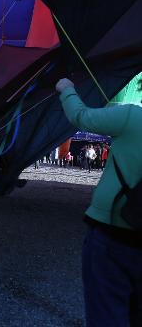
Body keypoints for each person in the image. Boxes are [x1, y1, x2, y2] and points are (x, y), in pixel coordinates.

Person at [56, 78, 142, 326]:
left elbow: (80, 116)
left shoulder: (133, 118)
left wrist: (66, 89)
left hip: (113, 231)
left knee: (107, 314)